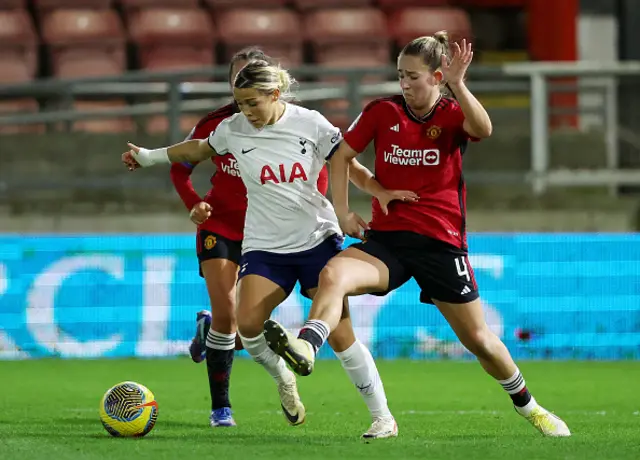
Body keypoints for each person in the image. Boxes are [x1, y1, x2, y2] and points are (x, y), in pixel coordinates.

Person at [263, 33, 572, 438]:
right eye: (399, 76)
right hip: (388, 239)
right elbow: (341, 157)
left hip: (440, 243)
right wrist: (342, 212)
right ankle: (306, 345)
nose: (404, 84)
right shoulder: (381, 111)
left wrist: (460, 86)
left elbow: (485, 128)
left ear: (437, 77)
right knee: (333, 274)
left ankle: (531, 407)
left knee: (479, 340)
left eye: (412, 76)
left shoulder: (449, 113)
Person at [122, 60, 417, 438]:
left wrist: (378, 191)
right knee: (245, 324)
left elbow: (350, 164)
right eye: (240, 103)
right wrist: (149, 156)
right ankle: (283, 378)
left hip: (316, 240)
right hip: (264, 247)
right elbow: (196, 150)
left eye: (252, 103)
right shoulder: (233, 129)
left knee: (342, 337)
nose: (246, 111)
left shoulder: (310, 123)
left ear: (275, 94)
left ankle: (382, 417)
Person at [169, 47, 330, 428]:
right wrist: (193, 203)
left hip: (271, 233)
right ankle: (221, 409)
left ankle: (210, 332)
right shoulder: (218, 125)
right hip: (222, 226)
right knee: (228, 315)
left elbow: (318, 172)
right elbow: (180, 167)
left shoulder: (297, 125)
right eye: (237, 79)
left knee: (245, 327)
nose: (243, 88)